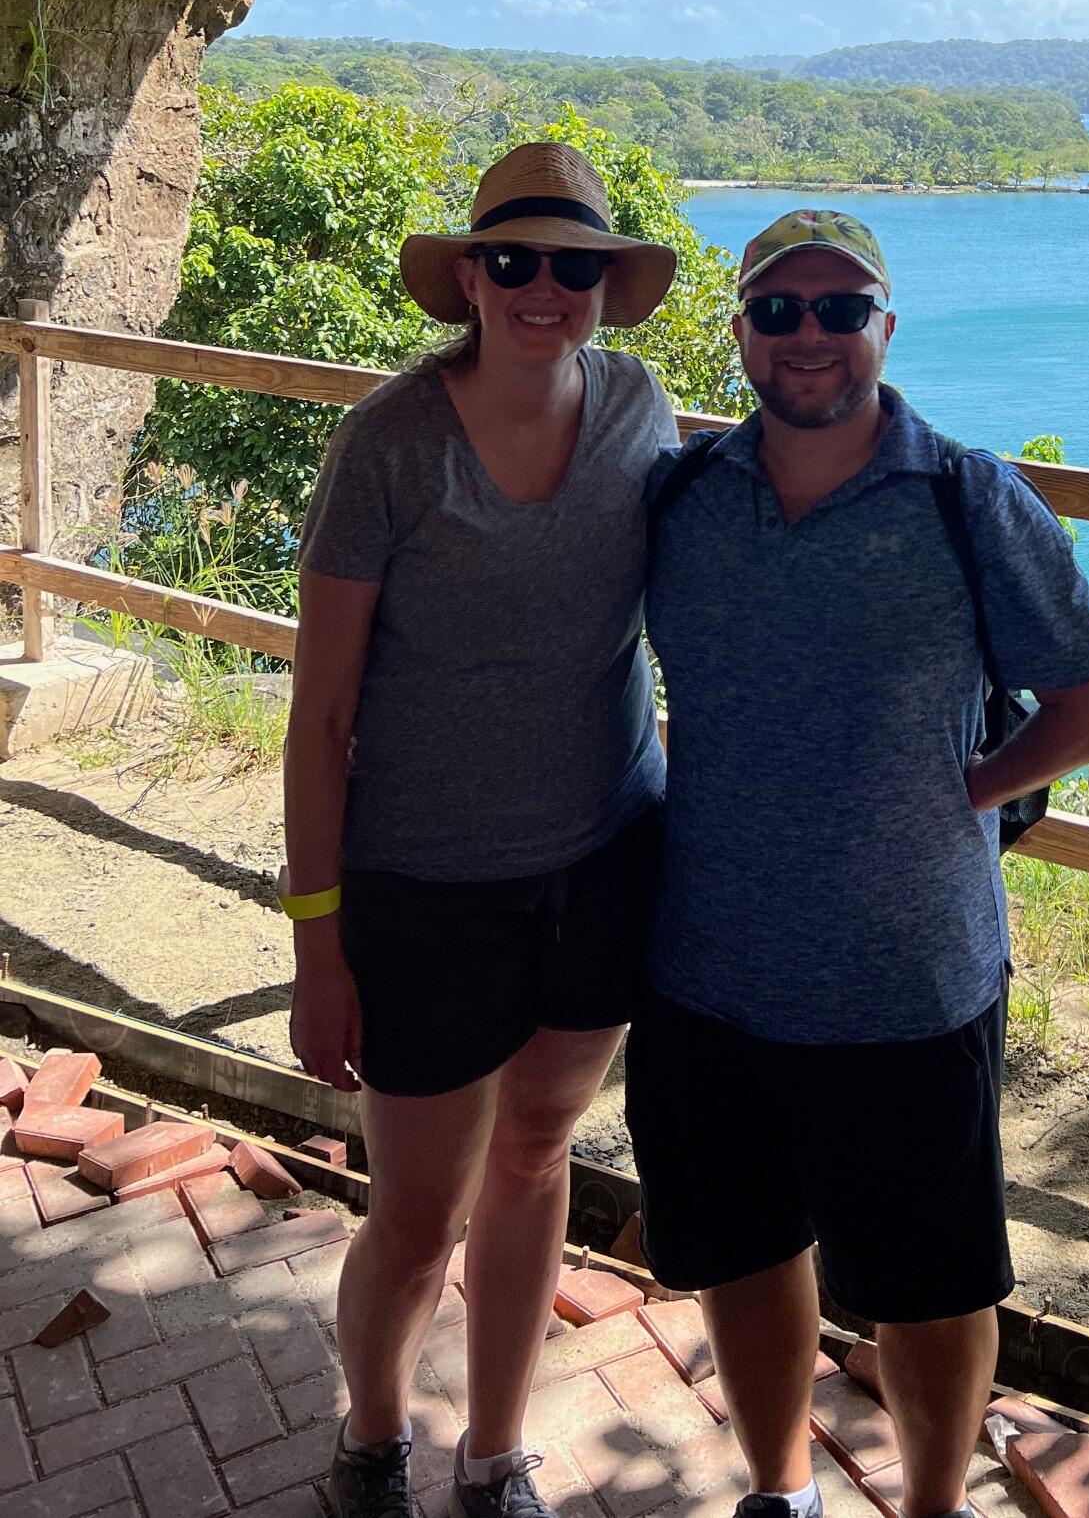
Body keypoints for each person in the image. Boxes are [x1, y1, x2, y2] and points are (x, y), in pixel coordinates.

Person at [626, 207, 1089, 1518]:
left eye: (839, 309)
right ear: (738, 333)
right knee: (744, 1254)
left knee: (933, 1285)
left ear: (884, 330)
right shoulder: (683, 497)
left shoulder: (967, 497)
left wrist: (959, 793)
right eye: (778, 310)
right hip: (708, 969)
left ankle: (928, 1507)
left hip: (911, 980)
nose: (809, 336)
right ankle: (777, 1486)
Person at [283, 142, 680, 1518]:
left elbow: (714, 589)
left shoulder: (641, 408)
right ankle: (373, 1437)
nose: (544, 288)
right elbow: (322, 711)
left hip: (601, 860)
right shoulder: (390, 441)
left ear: (606, 289)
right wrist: (318, 942)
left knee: (533, 1158)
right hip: (425, 886)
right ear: (468, 276)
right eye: (513, 261)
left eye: (576, 266)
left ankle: (496, 1452)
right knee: (411, 1213)